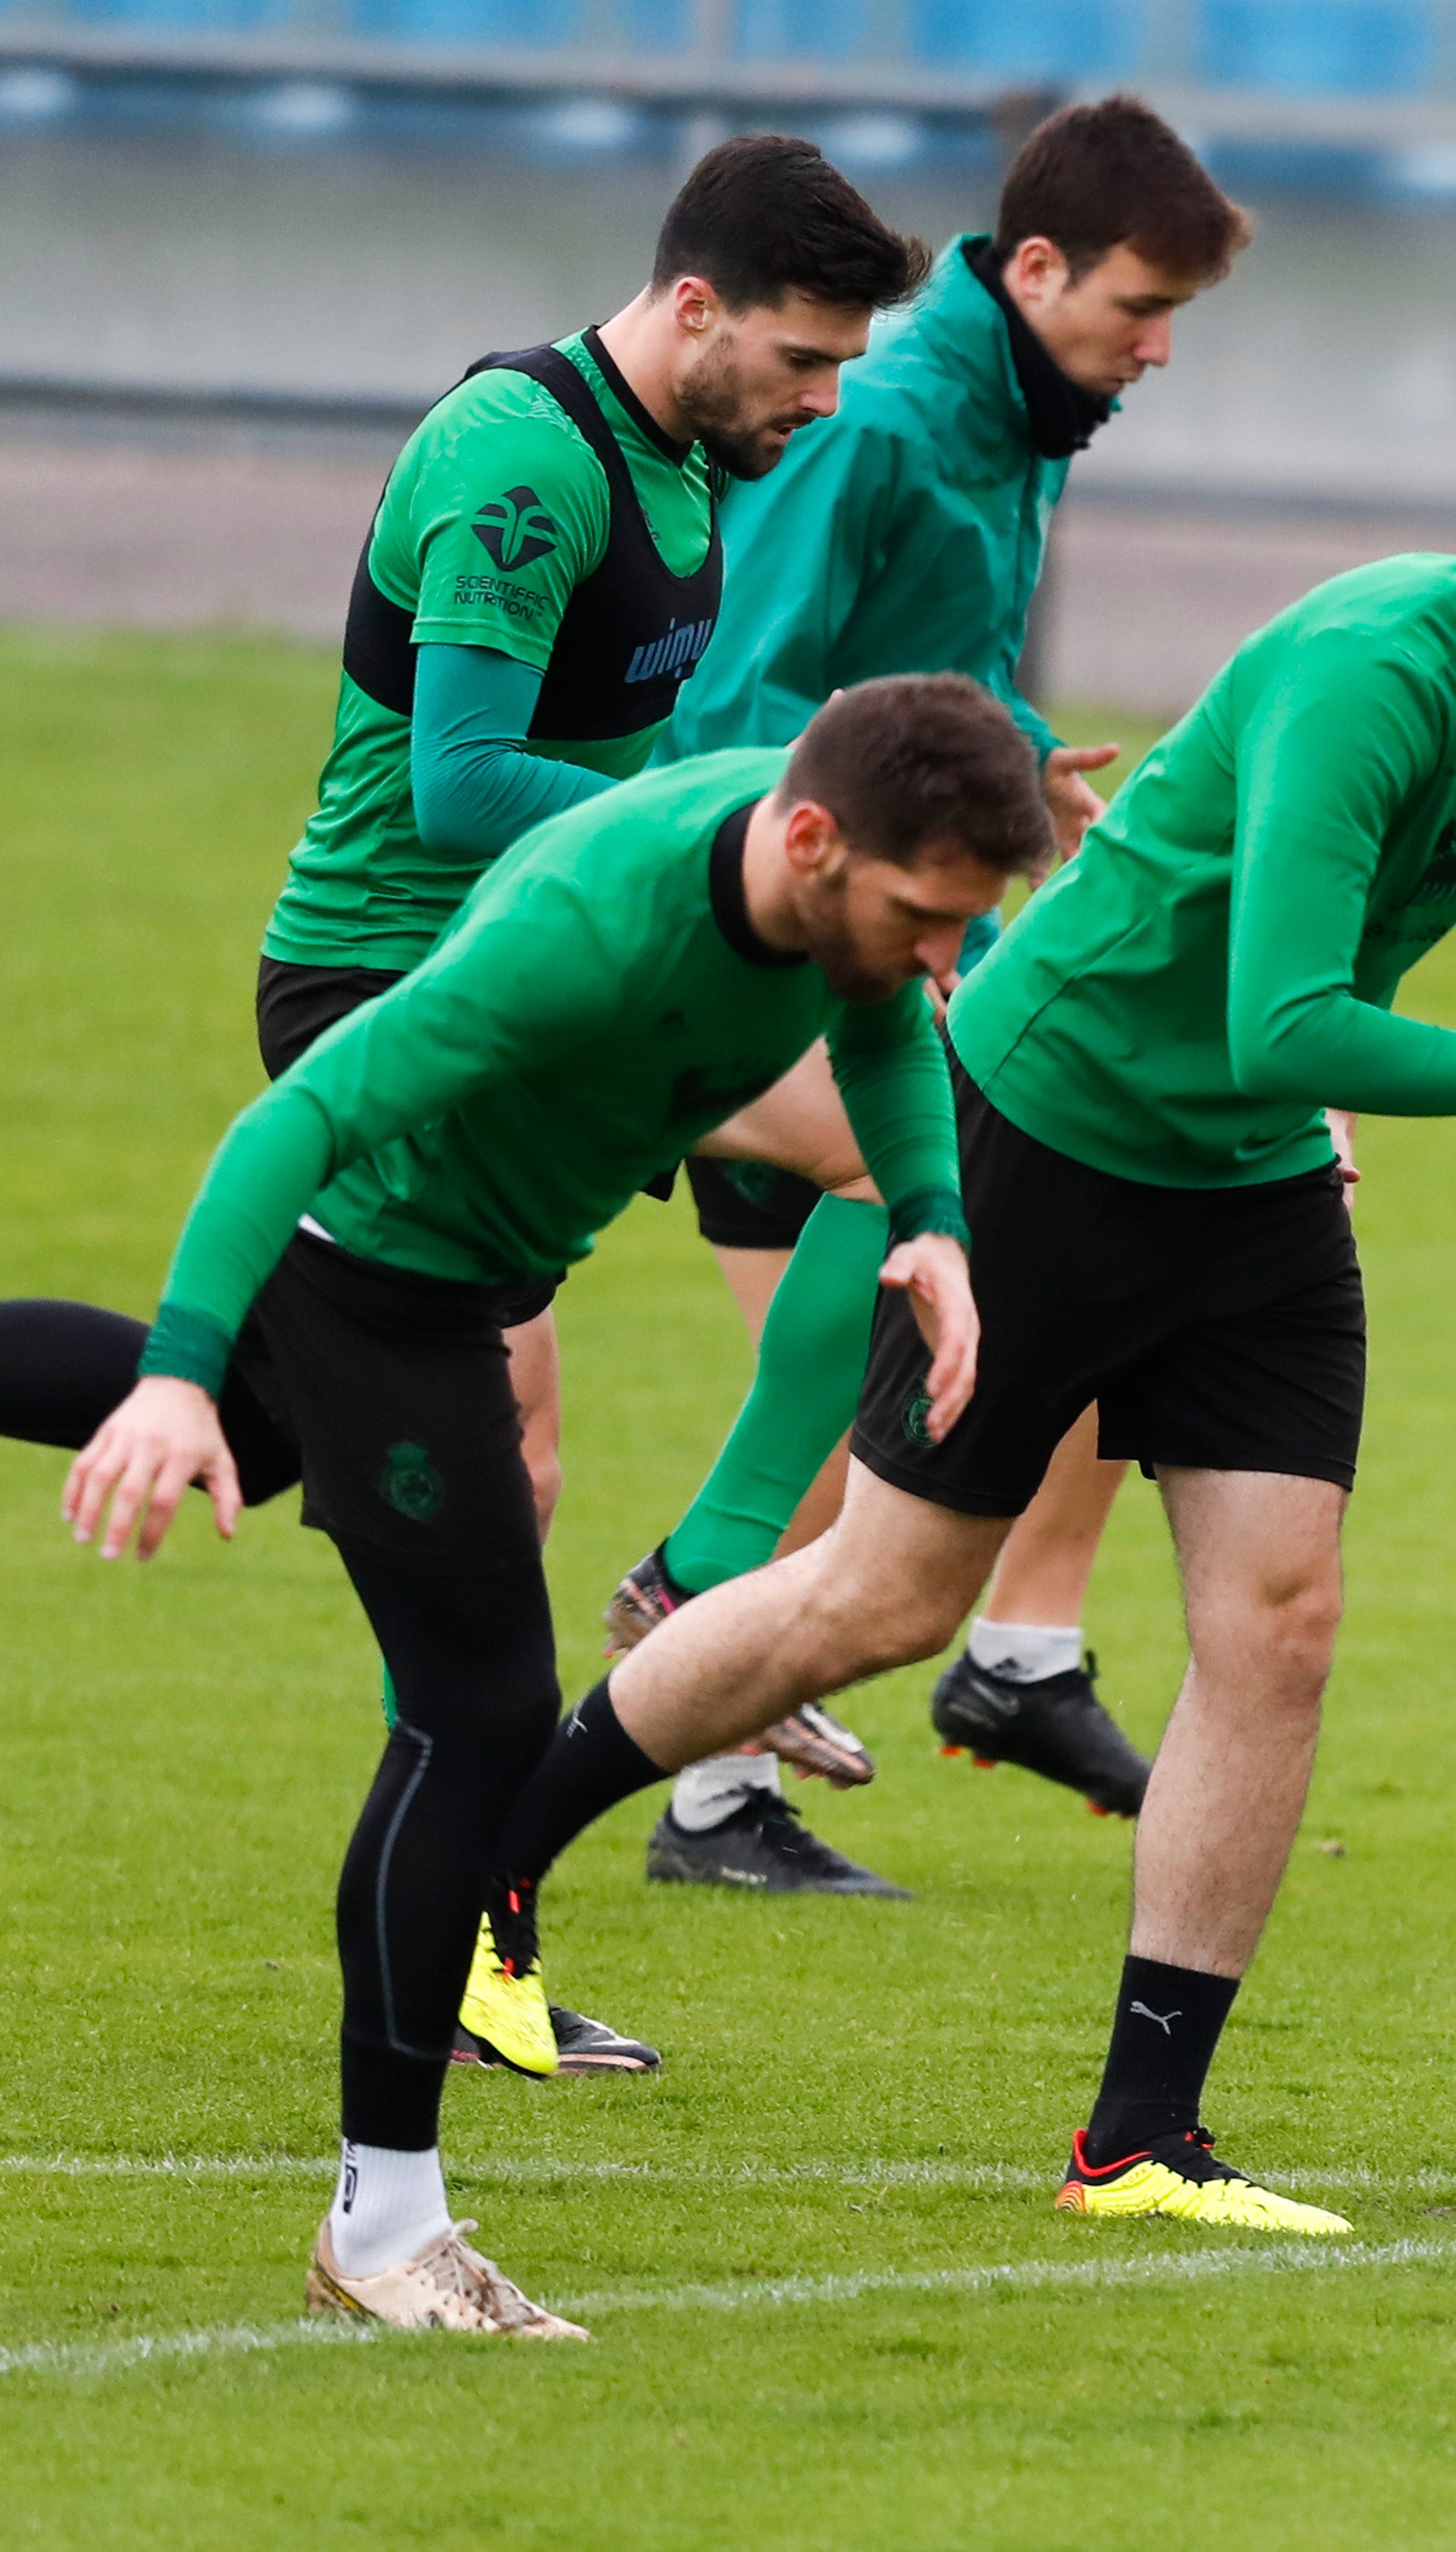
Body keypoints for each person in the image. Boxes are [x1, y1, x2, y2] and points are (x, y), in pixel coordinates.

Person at [452, 411, 1456, 2237]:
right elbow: (1284, 1016)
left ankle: (1140, 2138)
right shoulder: (1370, 676)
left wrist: (1312, 1099)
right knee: (884, 1598)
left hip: (1245, 1187)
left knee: (1282, 1624)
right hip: (1056, 1141)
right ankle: (486, 1869)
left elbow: (1319, 973)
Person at [15, 678, 1048, 2336]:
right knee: (479, 1710)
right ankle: (385, 2223)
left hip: (467, 1268)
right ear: (811, 840)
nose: (943, 961)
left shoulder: (821, 892)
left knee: (285, 1465)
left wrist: (927, 1213)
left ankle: (384, 2216)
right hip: (382, 1277)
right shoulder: (589, 929)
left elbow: (881, 1036)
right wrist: (180, 1370)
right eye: (927, 919)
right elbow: (301, 1116)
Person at [226, 131, 931, 2063]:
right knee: (462, 1477)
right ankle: (468, 1932)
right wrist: (726, 831)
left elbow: (639, 752)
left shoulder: (690, 455)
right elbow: (460, 785)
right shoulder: (522, 460)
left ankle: (698, 1579)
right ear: (692, 307)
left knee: (286, 1417)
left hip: (564, 977)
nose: (823, 398)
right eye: (802, 359)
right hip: (400, 986)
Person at [594, 96, 1256, 1899]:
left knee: (894, 1337)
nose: (1158, 348)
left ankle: (718, 1773)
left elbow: (931, 674)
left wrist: (1023, 774)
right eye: (1137, 308)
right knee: (928, 1235)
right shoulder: (881, 419)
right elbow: (753, 695)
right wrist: (872, 886)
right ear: (1035, 269)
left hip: (870, 922)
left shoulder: (1016, 418)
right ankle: (730, 1625)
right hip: (760, 928)